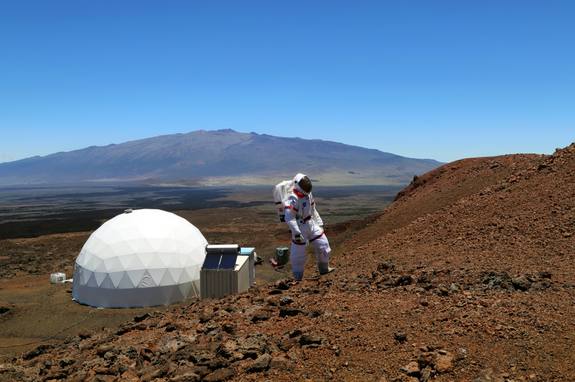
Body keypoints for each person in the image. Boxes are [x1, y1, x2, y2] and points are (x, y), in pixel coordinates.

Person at [284, 173, 335, 281]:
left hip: (311, 224)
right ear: (297, 185)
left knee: (324, 245)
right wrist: (296, 232)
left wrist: (319, 224)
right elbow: (289, 217)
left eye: (307, 183)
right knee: (298, 255)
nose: (307, 185)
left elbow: (313, 210)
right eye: (304, 184)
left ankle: (324, 269)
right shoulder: (293, 198)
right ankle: (298, 278)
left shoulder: (308, 195)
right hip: (300, 227)